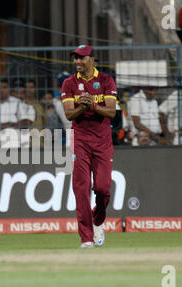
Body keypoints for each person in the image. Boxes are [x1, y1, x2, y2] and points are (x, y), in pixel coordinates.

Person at [61, 45, 117, 248]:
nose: (77, 62)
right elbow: (68, 114)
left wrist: (93, 106)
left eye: (82, 58)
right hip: (80, 141)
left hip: (102, 142)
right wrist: (81, 107)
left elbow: (111, 112)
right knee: (81, 188)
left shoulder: (105, 80)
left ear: (92, 59)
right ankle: (86, 237)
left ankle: (98, 221)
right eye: (75, 58)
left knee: (102, 188)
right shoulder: (69, 83)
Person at [0, 79, 36, 148]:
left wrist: (8, 124)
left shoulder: (17, 102)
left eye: (4, 87)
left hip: (12, 141)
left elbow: (25, 121)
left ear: (9, 89)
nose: (1, 90)